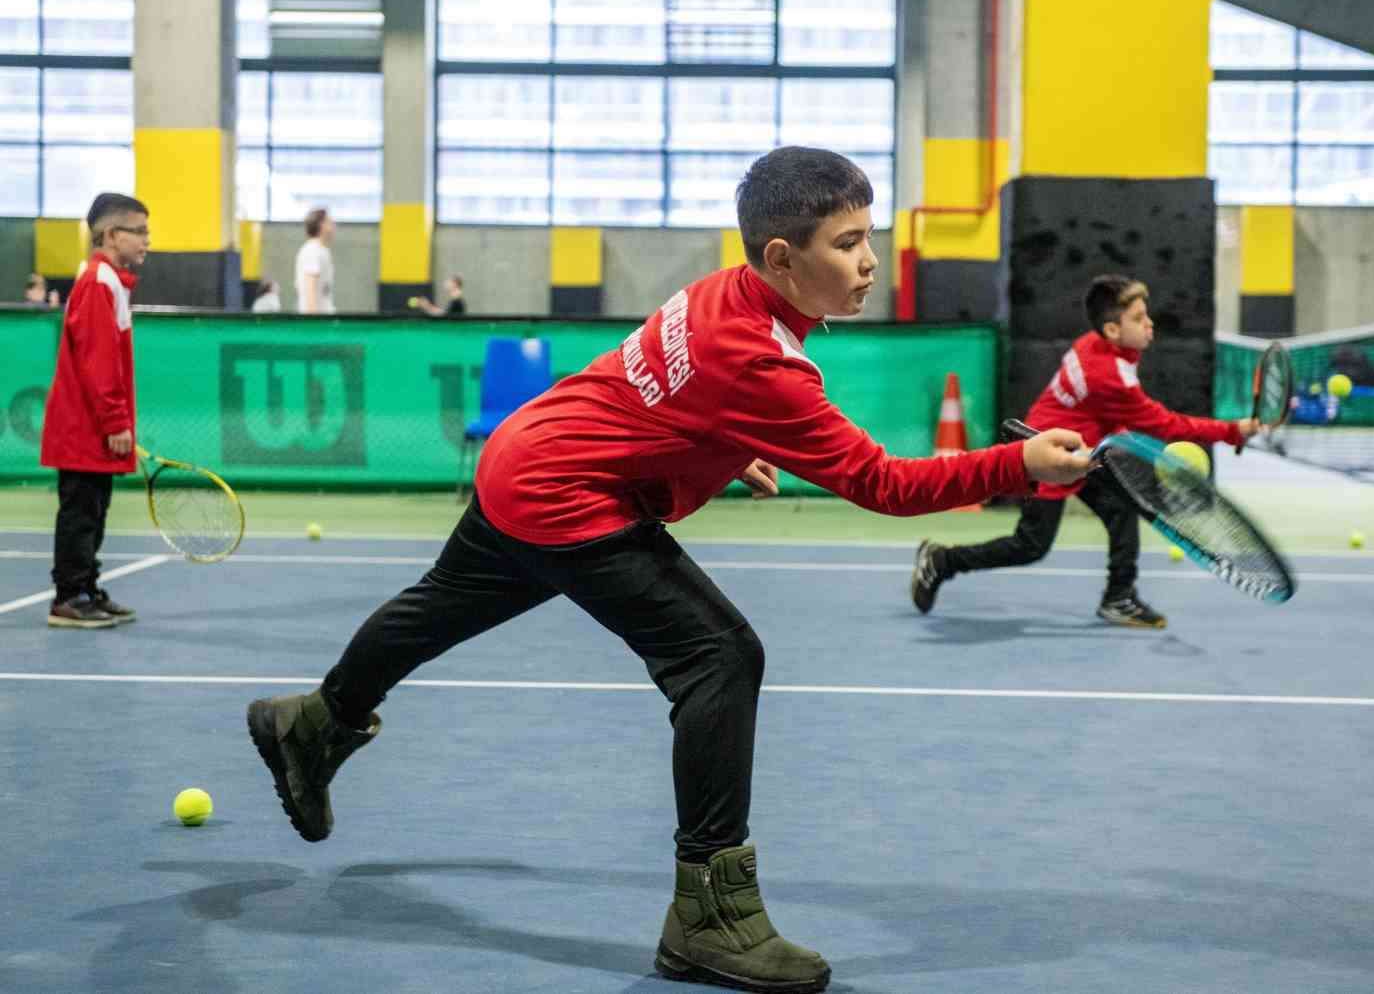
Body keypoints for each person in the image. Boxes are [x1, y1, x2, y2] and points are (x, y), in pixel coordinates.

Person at [244, 147, 1090, 994]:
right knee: (718, 655)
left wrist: (728, 446)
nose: (869, 261)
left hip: (526, 456)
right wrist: (1021, 467)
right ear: (781, 260)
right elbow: (885, 485)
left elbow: (672, 392)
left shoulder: (726, 292)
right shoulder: (766, 364)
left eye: (870, 236)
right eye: (848, 242)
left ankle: (316, 723)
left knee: (437, 608)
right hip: (567, 496)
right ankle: (710, 918)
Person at [911, 274, 1259, 628]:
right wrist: (1234, 431)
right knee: (1030, 545)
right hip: (1049, 453)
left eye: (1146, 314)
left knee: (1121, 507)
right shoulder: (1109, 376)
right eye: (1138, 318)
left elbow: (1107, 415)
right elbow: (1167, 426)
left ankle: (1119, 597)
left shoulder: (1096, 344)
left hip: (1081, 447)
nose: (1149, 324)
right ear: (1111, 328)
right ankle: (942, 560)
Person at [38, 193, 149, 628]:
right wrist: (115, 421)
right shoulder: (97, 283)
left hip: (92, 427)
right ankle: (68, 597)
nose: (147, 241)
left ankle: (86, 587)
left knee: (95, 511)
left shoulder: (111, 283)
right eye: (139, 231)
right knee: (81, 513)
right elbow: (98, 361)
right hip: (83, 427)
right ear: (111, 235)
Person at [294, 207, 336, 314]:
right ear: (321, 225)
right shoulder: (312, 250)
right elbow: (310, 287)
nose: (333, 225)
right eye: (329, 222)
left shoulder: (322, 250)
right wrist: (313, 320)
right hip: (316, 320)